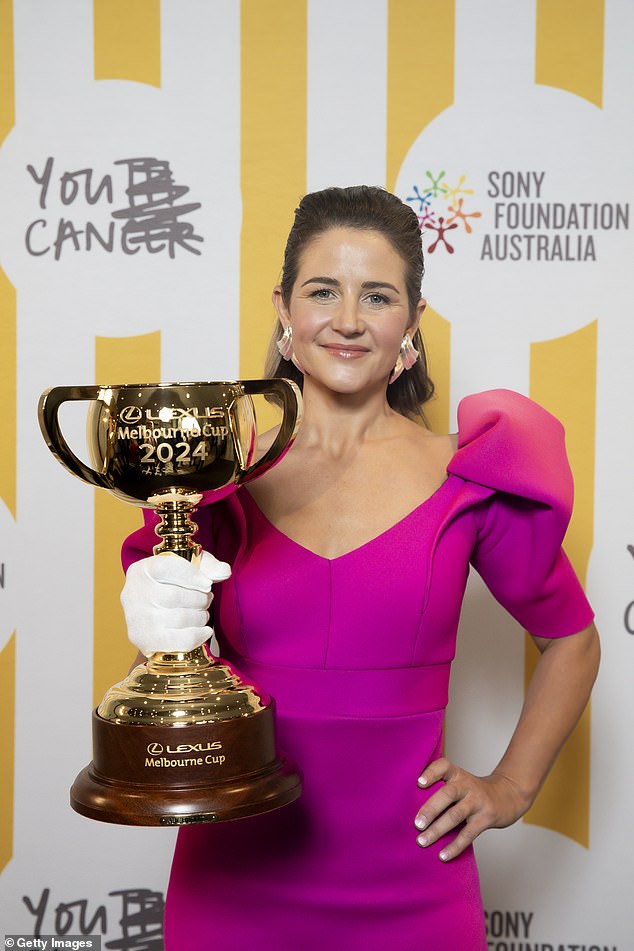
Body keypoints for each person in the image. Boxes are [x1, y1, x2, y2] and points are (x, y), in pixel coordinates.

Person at [121, 186, 600, 950]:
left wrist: (509, 786)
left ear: (411, 320)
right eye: (322, 291)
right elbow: (167, 670)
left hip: (414, 886)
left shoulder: (470, 474)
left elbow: (571, 639)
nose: (347, 320)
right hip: (232, 881)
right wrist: (148, 616)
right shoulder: (218, 472)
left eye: (376, 296)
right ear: (284, 307)